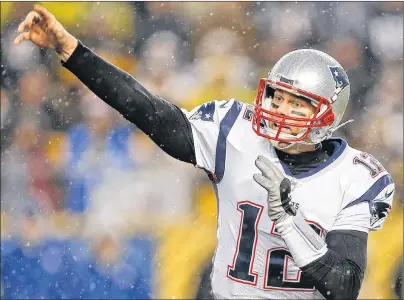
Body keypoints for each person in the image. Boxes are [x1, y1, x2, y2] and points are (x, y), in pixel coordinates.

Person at [14, 5, 395, 300]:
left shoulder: (356, 176)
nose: (281, 111)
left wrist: (288, 219)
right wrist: (73, 52)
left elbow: (343, 287)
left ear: (329, 115)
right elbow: (150, 112)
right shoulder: (235, 131)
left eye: (298, 105)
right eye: (277, 98)